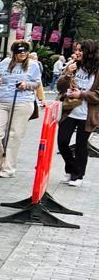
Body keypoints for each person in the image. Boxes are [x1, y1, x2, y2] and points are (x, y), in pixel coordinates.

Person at [0, 42, 42, 178]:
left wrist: (26, 84)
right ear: (13, 53)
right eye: (19, 51)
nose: (22, 54)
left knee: (14, 135)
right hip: (3, 101)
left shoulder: (33, 65)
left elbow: (37, 83)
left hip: (22, 102)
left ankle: (8, 168)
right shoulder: (5, 63)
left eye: (25, 51)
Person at [56, 40, 99, 186]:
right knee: (62, 142)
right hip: (69, 111)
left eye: (81, 50)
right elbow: (60, 87)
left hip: (87, 114)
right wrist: (67, 74)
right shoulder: (73, 66)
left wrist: (81, 94)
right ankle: (72, 168)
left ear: (89, 52)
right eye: (76, 50)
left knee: (81, 145)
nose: (77, 53)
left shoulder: (97, 70)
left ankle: (78, 176)